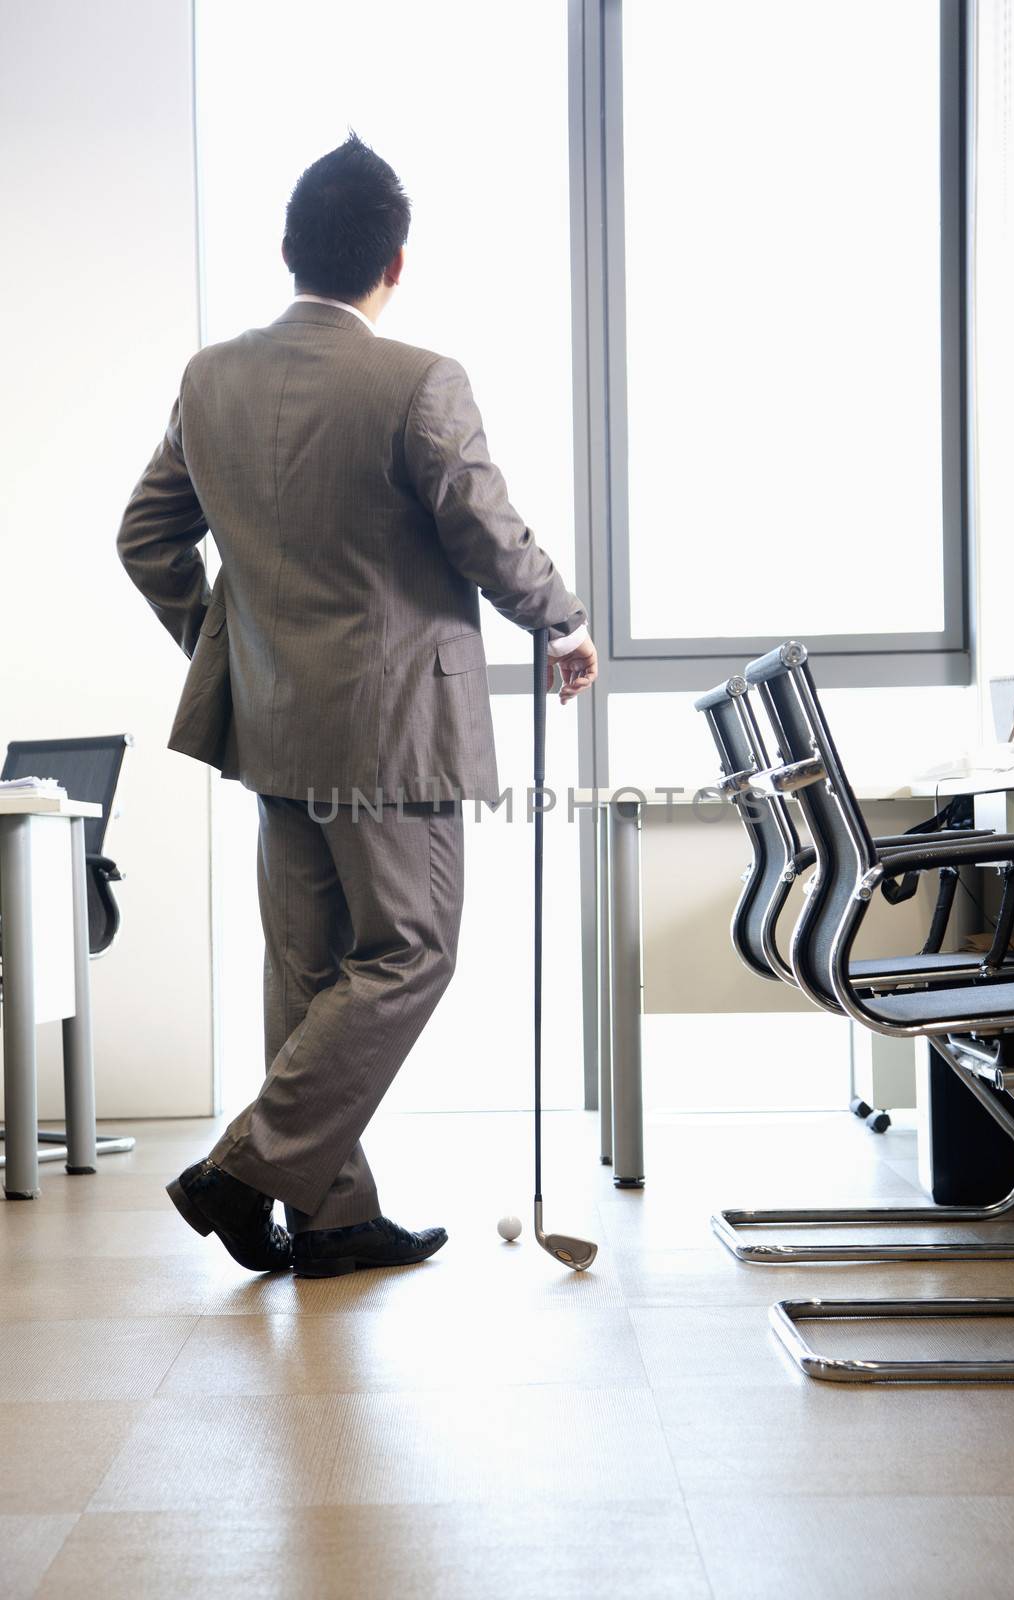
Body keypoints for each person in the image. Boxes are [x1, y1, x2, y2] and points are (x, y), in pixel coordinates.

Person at [117, 132, 597, 1279]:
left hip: (274, 728)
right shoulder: (416, 379)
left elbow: (145, 538)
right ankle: (246, 1165)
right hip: (394, 732)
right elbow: (478, 524)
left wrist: (231, 647)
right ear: (395, 261)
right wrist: (561, 620)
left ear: (288, 251)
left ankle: (329, 1220)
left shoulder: (209, 378)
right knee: (409, 949)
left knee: (310, 966)